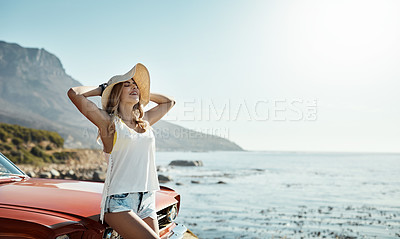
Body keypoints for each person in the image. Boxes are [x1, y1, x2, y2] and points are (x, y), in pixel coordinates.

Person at [67, 63, 175, 239]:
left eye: (136, 85)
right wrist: (104, 89)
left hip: (147, 198)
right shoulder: (109, 123)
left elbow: (170, 101)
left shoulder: (144, 121)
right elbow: (74, 93)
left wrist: (144, 93)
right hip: (119, 202)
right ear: (117, 92)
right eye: (127, 84)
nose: (133, 87)